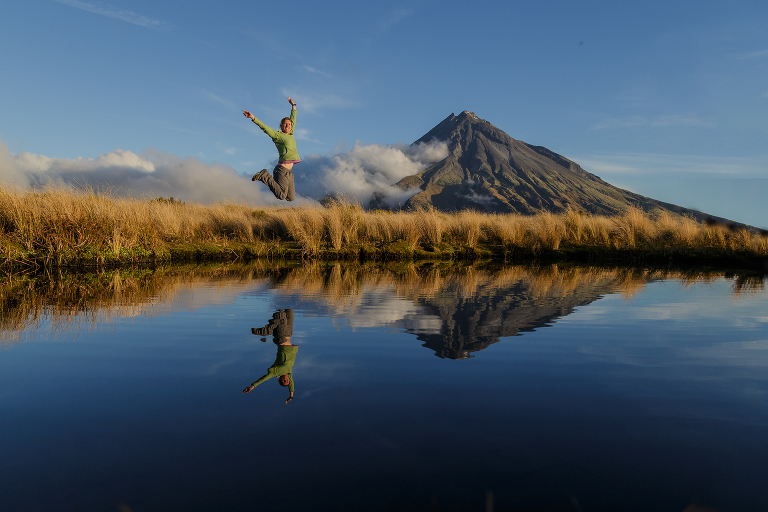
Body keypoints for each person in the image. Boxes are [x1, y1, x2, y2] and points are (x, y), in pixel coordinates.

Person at [242, 97, 300, 201]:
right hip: (281, 170)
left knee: (290, 198)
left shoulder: (291, 134)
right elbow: (265, 127)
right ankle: (264, 175)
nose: (288, 125)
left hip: (289, 172)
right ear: (281, 125)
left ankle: (265, 176)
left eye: (289, 124)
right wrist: (253, 118)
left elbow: (293, 118)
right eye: (285, 124)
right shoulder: (277, 135)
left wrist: (293, 105)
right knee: (281, 196)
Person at [242, 309, 297, 404]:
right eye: (287, 381)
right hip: (288, 335)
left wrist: (252, 387)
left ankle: (264, 331)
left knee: (281, 317)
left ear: (280, 380)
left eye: (284, 381)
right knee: (290, 312)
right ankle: (267, 329)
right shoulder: (289, 373)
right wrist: (291, 396)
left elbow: (263, 379)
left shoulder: (275, 372)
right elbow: (291, 385)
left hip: (281, 339)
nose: (286, 379)